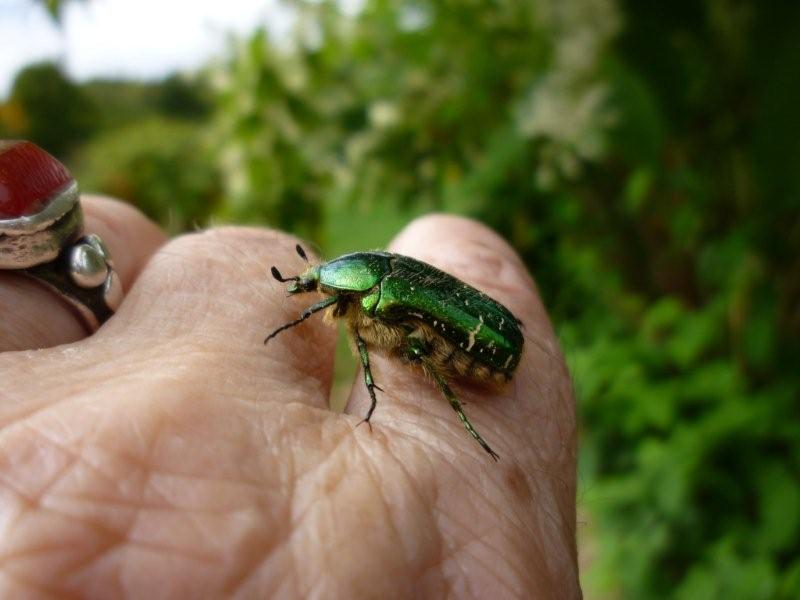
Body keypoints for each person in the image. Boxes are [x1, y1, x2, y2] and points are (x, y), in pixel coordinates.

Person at [0, 197, 580, 598]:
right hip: (493, 331)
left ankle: (461, 417)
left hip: (487, 350)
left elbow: (367, 332)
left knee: (419, 354)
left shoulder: (374, 299)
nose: (317, 294)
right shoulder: (365, 284)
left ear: (350, 286)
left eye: (323, 288)